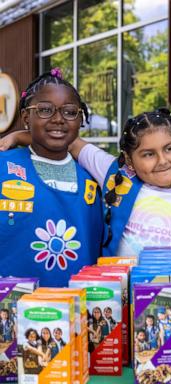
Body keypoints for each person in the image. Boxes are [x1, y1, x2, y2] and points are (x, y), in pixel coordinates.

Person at [0, 69, 103, 287]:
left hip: (75, 311)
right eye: (45, 110)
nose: (58, 119)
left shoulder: (93, 179)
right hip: (11, 310)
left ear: (80, 119)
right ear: (26, 117)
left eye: (69, 111)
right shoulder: (4, 167)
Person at [69, 108, 171, 256]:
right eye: (148, 154)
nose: (162, 161)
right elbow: (72, 142)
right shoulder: (116, 176)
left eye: (169, 149)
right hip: (118, 278)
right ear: (129, 159)